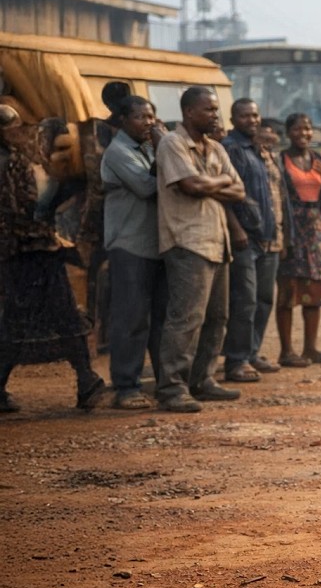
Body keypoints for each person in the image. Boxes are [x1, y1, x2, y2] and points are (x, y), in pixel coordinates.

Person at [0, 105, 107, 413]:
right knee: (39, 319)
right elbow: (20, 213)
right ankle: (86, 381)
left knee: (39, 319)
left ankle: (86, 380)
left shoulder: (28, 161)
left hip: (34, 253)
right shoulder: (14, 163)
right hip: (28, 255)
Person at [153, 87, 246, 413]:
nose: (215, 115)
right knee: (186, 319)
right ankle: (172, 388)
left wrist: (210, 183)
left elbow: (239, 191)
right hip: (187, 242)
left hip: (216, 242)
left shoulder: (216, 147)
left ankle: (202, 380)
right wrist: (216, 182)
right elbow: (190, 187)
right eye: (208, 110)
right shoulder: (172, 144)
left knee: (217, 317)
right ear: (189, 112)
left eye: (215, 109)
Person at [100, 95, 168, 410]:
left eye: (151, 117)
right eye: (141, 117)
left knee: (159, 319)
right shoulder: (118, 152)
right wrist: (167, 154)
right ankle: (125, 387)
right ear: (124, 120)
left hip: (155, 244)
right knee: (131, 318)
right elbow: (147, 186)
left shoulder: (148, 147)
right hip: (129, 244)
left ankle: (164, 382)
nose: (148, 123)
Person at [221, 99, 284, 382]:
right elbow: (226, 195)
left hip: (269, 237)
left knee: (263, 299)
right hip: (245, 238)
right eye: (245, 115)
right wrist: (236, 230)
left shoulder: (259, 149)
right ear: (233, 119)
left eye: (255, 115)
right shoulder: (231, 148)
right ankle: (236, 360)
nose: (252, 120)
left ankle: (252, 352)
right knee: (244, 300)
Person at [276, 113, 321, 367]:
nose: (304, 133)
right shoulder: (281, 160)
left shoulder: (320, 160)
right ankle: (286, 351)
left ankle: (310, 348)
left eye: (308, 129)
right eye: (298, 129)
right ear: (288, 133)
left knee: (314, 289)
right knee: (288, 290)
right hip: (292, 229)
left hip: (316, 229)